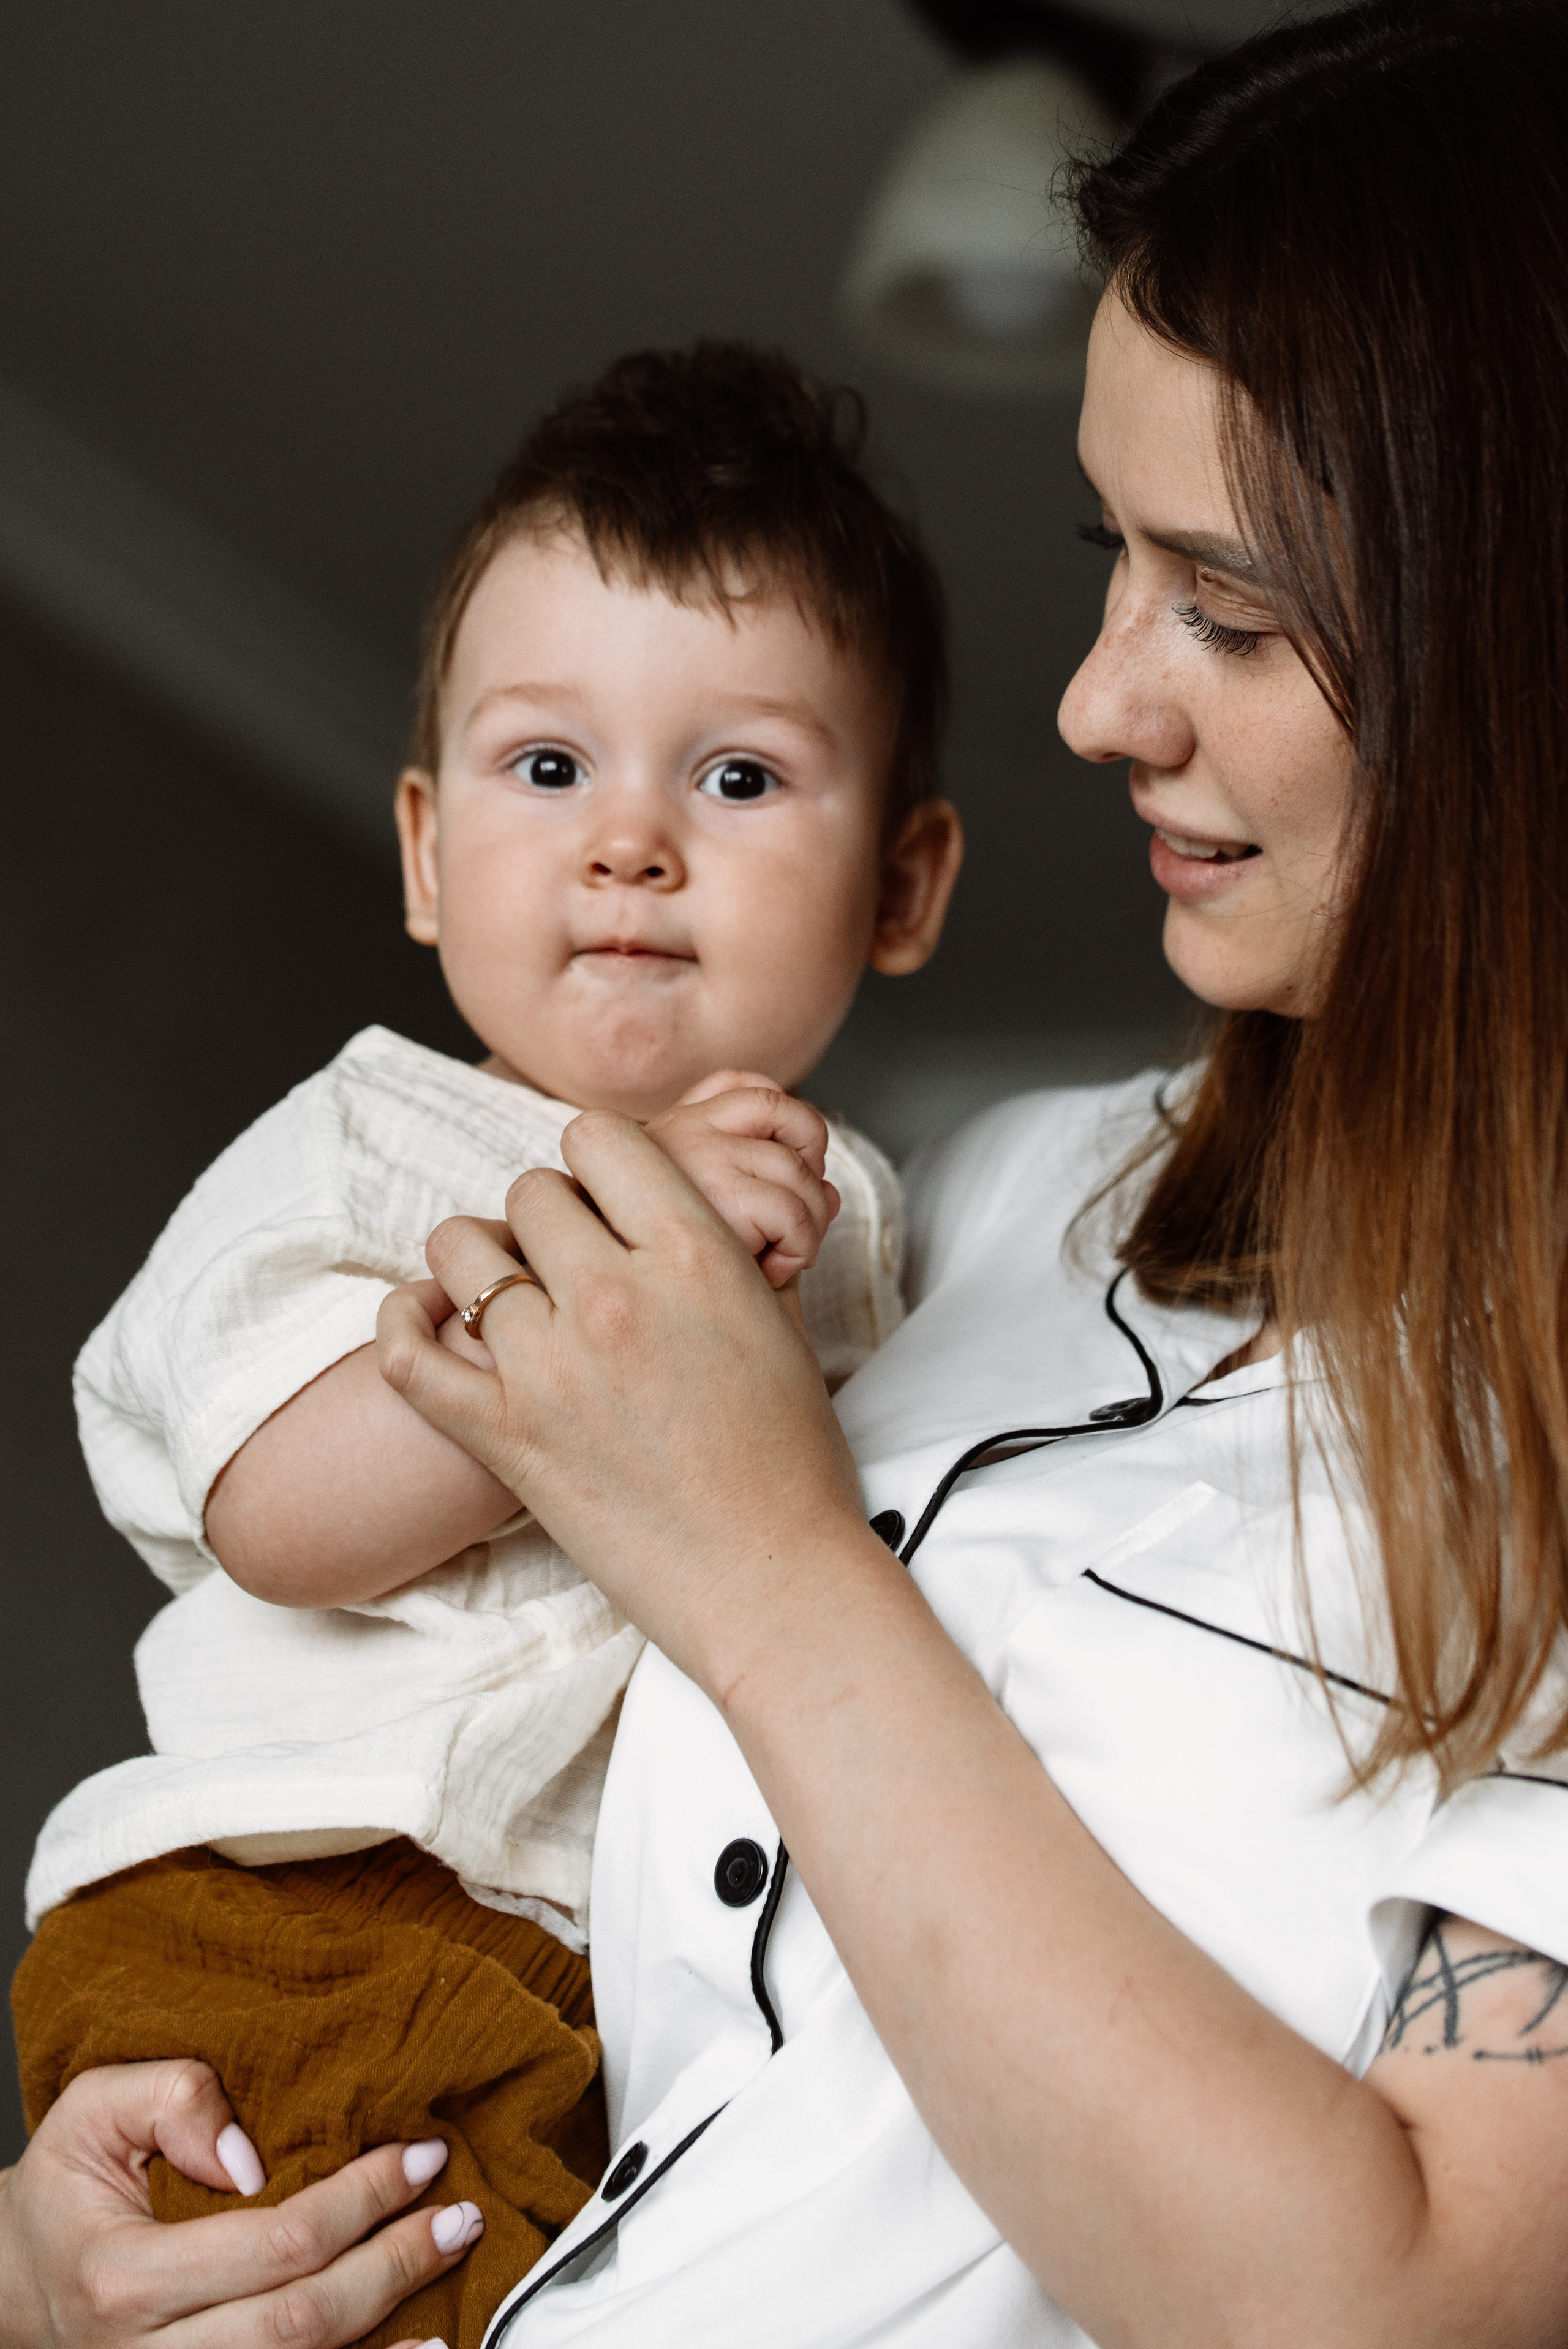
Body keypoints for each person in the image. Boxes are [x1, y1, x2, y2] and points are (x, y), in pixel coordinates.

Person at [9, 1, 1567, 2343]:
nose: (1096, 702)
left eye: (1228, 610)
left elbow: (1400, 2308)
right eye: (1105, 560)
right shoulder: (991, 1203)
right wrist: (95, 2269)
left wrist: (753, 1546)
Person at [9, 342, 963, 2349]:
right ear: (432, 853)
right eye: (552, 767)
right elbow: (277, 1504)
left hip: (598, 1990)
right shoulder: (370, 1139)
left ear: (900, 883)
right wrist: (639, 1252)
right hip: (290, 1919)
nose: (632, 841)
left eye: (738, 775)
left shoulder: (892, 1238)